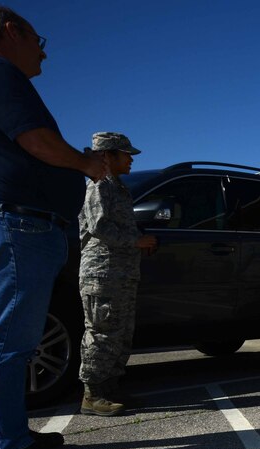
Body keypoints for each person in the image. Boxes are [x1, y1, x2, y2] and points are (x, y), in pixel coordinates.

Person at [0, 4, 106, 449]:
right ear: (12, 31)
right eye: (39, 42)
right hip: (18, 223)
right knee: (9, 340)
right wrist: (86, 164)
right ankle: (3, 447)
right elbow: (36, 141)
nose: (44, 55)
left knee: (18, 339)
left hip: (23, 222)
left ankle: (11, 432)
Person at [78, 132, 157, 416]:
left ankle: (111, 388)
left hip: (121, 274)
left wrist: (138, 239)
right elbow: (99, 227)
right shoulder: (98, 186)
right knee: (101, 332)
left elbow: (119, 227)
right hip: (102, 273)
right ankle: (93, 394)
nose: (131, 159)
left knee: (121, 333)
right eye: (126, 154)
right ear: (107, 156)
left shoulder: (118, 188)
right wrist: (136, 241)